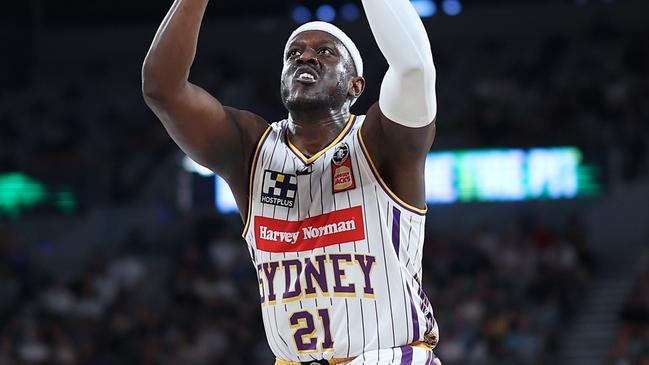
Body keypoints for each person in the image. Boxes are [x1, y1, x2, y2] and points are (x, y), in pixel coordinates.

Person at [142, 0, 439, 363]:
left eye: (325, 52)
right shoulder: (249, 147)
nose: (306, 58)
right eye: (293, 53)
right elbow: (162, 89)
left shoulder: (381, 141)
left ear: (355, 86)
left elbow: (413, 69)